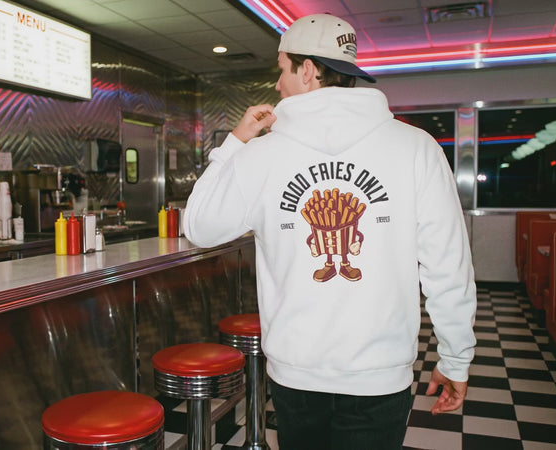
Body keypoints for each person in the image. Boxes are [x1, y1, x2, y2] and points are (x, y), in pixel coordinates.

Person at [182, 13, 476, 450]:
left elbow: (198, 225)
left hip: (297, 373)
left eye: (281, 69)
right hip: (381, 373)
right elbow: (447, 263)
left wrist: (235, 143)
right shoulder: (416, 147)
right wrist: (455, 358)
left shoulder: (261, 155)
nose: (277, 84)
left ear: (307, 69)